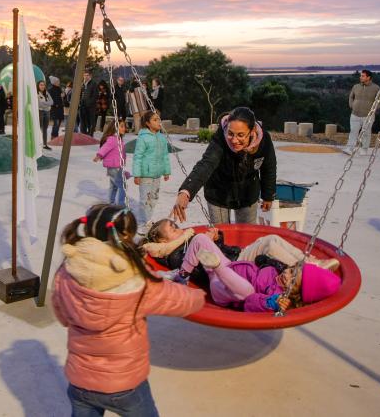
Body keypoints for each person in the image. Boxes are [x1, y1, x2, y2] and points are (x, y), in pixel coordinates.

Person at [52, 204, 204, 417]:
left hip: (80, 382)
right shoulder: (134, 278)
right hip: (124, 385)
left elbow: (62, 316)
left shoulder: (67, 271)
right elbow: (178, 300)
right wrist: (200, 296)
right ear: (125, 236)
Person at [142, 220, 338, 289]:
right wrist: (208, 243)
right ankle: (311, 270)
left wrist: (216, 240)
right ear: (162, 242)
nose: (178, 228)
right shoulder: (176, 254)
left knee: (270, 239)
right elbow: (203, 269)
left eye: (175, 225)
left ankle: (311, 263)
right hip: (232, 270)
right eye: (172, 229)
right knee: (269, 244)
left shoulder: (187, 239)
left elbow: (217, 251)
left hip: (234, 259)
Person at [172, 107, 276, 225]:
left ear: (252, 131)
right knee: (221, 236)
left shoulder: (263, 140)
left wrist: (268, 195)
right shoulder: (221, 138)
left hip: (248, 191)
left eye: (241, 135)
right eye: (231, 134)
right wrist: (186, 192)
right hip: (218, 190)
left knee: (246, 234)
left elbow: (269, 167)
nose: (234, 140)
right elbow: (206, 164)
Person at [133, 111, 171, 232]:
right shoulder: (143, 138)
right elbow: (137, 156)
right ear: (148, 123)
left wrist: (166, 171)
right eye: (155, 120)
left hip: (157, 174)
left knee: (154, 197)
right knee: (145, 198)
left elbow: (165, 155)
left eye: (159, 119)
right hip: (145, 174)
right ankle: (145, 221)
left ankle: (148, 218)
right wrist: (137, 174)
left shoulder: (161, 137)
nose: (158, 122)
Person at [344, 69, 380, 154]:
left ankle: (364, 149)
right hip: (355, 114)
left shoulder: (376, 88)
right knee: (353, 131)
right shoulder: (356, 86)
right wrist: (352, 105)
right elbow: (351, 97)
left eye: (363, 76)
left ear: (368, 77)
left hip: (368, 115)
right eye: (361, 76)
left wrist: (373, 110)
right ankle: (349, 148)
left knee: (366, 133)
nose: (360, 77)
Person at [93, 120, 128, 205]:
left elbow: (121, 153)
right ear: (115, 128)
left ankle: (111, 202)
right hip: (114, 167)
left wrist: (123, 163)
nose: (124, 128)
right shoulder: (113, 139)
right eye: (122, 126)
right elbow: (105, 148)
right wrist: (99, 155)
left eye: (124, 126)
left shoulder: (118, 139)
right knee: (122, 186)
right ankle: (121, 204)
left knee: (114, 186)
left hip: (116, 167)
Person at [78, 71, 98, 136]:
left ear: (90, 76)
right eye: (84, 75)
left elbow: (95, 95)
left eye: (87, 75)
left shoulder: (93, 84)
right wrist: (80, 102)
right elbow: (80, 94)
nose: (85, 76)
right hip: (83, 106)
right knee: (83, 120)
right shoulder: (82, 84)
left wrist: (89, 102)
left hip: (91, 106)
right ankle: (83, 134)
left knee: (91, 121)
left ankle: (90, 134)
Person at [36, 80, 53, 150]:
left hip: (47, 112)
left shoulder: (47, 93)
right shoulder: (36, 93)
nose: (42, 86)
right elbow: (39, 104)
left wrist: (44, 104)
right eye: (41, 85)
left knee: (45, 129)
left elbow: (52, 102)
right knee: (39, 128)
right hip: (40, 112)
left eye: (43, 85)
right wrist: (47, 104)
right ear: (38, 86)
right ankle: (38, 144)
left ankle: (45, 144)